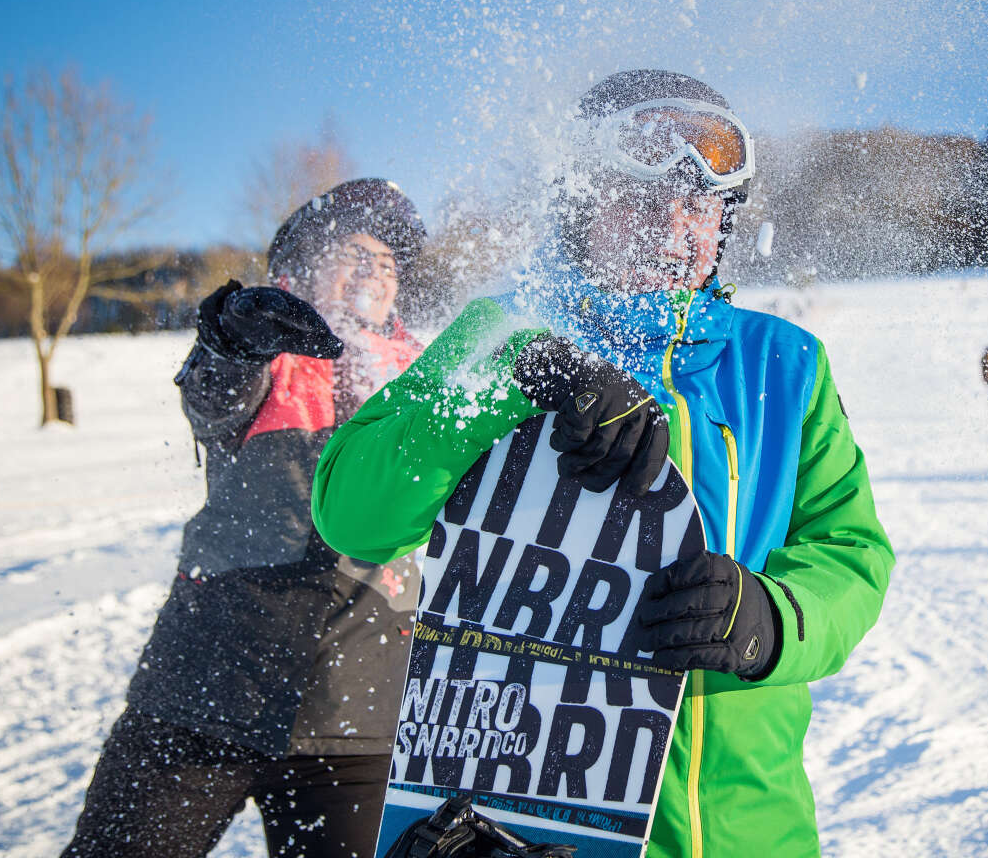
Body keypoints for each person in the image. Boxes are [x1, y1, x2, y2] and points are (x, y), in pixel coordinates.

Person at [311, 70, 895, 858]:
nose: (673, 226)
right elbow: (355, 516)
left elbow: (851, 553)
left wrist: (771, 617)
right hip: (528, 824)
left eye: (698, 204)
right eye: (641, 198)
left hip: (750, 827)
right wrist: (513, 373)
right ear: (579, 205)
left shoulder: (782, 366)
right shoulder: (501, 335)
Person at [64, 179, 430, 858]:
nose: (374, 272)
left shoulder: (428, 384)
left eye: (386, 263)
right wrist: (231, 339)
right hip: (203, 690)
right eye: (354, 252)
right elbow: (212, 396)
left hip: (359, 712)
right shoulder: (264, 354)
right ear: (304, 266)